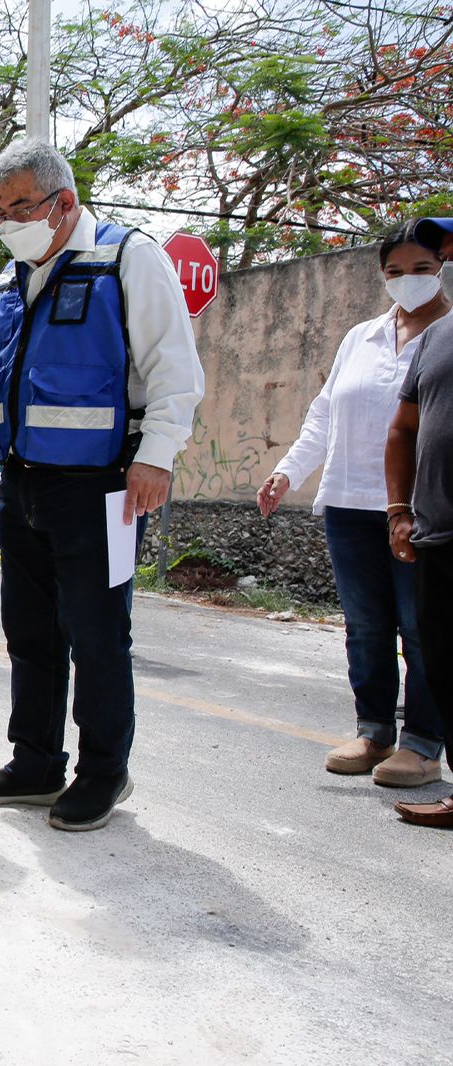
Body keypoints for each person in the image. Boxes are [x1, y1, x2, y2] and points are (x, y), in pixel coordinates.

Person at [0, 138, 204, 832]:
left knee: (95, 634)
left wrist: (156, 458)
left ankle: (103, 773)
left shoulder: (128, 258)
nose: (6, 221)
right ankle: (34, 763)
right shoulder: (10, 279)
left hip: (103, 486)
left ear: (63, 202)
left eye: (19, 207)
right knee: (29, 633)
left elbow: (175, 370)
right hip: (23, 482)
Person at [258, 224, 447, 788]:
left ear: (443, 265)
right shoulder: (359, 337)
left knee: (422, 629)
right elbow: (323, 413)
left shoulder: (449, 335)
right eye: (393, 272)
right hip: (347, 500)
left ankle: (421, 743)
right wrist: (287, 470)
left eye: (420, 269)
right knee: (365, 626)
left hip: (422, 508)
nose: (406, 282)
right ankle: (373, 732)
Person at [385, 215, 453, 828]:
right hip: (438, 536)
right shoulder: (436, 339)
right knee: (442, 659)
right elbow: (404, 430)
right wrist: (401, 510)